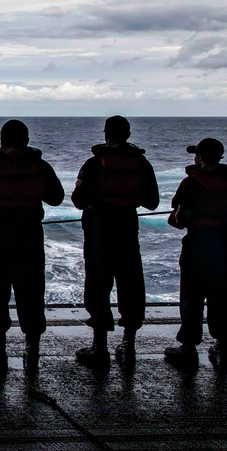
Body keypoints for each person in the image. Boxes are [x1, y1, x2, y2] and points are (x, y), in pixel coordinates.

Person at [0, 119, 64, 373]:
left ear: (2, 141)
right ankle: (32, 349)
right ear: (27, 141)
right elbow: (57, 198)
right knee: (31, 293)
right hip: (29, 238)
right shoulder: (40, 167)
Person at [71, 116, 159, 368]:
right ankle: (128, 344)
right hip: (127, 227)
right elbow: (152, 201)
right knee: (130, 284)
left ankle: (99, 346)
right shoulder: (141, 164)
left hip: (99, 229)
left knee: (98, 285)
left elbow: (78, 200)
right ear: (128, 134)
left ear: (106, 134)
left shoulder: (93, 163)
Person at [164, 138, 227, 369]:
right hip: (222, 241)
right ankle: (222, 347)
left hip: (197, 242)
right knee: (222, 294)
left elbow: (181, 220)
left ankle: (188, 348)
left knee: (192, 296)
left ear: (200, 156)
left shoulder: (191, 183)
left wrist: (172, 218)